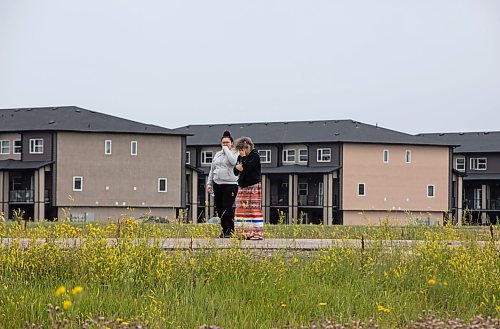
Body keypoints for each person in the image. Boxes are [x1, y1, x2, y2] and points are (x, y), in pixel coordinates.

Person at [206, 131, 239, 238]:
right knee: (219, 208)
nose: (225, 144)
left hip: (230, 184)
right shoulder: (217, 154)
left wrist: (227, 150)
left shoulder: (235, 153)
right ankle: (224, 229)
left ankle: (230, 230)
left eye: (227, 142)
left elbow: (233, 162)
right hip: (217, 183)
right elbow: (212, 169)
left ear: (232, 143)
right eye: (223, 143)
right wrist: (209, 183)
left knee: (227, 207)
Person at [233, 136, 264, 240]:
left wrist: (244, 159)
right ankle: (243, 232)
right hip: (242, 185)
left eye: (243, 149)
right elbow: (236, 171)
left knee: (253, 208)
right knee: (241, 209)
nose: (241, 151)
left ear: (248, 147)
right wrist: (239, 165)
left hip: (253, 185)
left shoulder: (255, 155)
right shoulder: (240, 157)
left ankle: (257, 233)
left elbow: (247, 168)